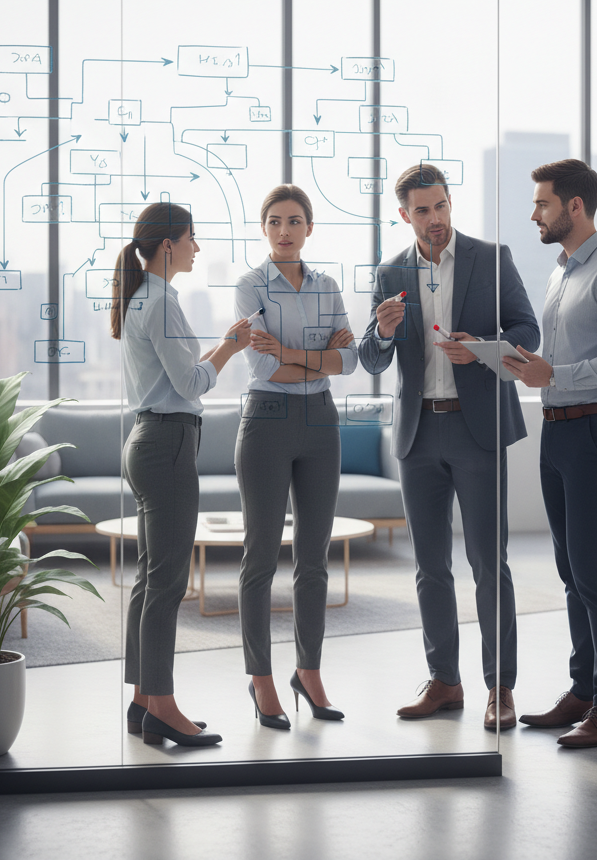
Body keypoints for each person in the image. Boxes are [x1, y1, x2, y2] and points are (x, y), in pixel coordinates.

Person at [358, 163, 539, 730]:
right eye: (421, 211)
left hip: (477, 428)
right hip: (418, 434)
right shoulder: (390, 273)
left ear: (449, 203)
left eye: (440, 207)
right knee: (430, 568)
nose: (434, 219)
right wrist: (383, 332)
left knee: (489, 563)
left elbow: (527, 332)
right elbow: (370, 357)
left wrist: (484, 348)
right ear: (404, 215)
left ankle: (500, 687)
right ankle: (445, 681)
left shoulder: (491, 258)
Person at [502, 158, 597, 748]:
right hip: (557, 429)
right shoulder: (561, 272)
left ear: (575, 207)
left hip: (596, 429)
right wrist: (513, 360)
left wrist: (557, 372)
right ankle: (584, 690)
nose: (534, 213)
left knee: (593, 569)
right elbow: (550, 366)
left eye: (542, 203)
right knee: (570, 570)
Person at [113, 202, 251, 748]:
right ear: (168, 244)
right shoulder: (162, 302)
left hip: (148, 440)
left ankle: (144, 702)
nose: (198, 247)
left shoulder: (143, 296)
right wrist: (229, 346)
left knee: (150, 579)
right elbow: (191, 384)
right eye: (193, 237)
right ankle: (164, 708)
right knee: (167, 583)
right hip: (167, 443)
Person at [234, 185, 357, 730]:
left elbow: (350, 360)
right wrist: (318, 360)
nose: (285, 230)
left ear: (309, 229)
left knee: (314, 560)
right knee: (260, 558)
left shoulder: (328, 286)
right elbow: (264, 371)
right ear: (263, 229)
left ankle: (309, 673)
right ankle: (261, 679)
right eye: (275, 221)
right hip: (266, 422)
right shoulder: (249, 285)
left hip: (321, 426)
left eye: (295, 221)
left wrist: (289, 353)